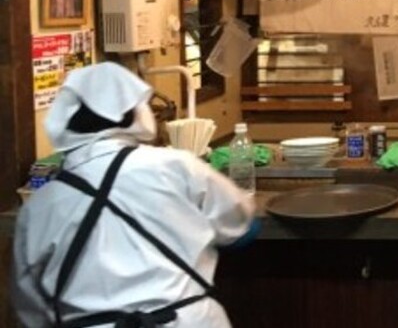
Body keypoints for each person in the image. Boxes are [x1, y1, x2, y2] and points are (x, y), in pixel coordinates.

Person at [11, 62, 259, 327]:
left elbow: (29, 304)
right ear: (136, 113)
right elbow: (239, 224)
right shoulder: (177, 166)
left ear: (65, 122)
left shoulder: (40, 205)